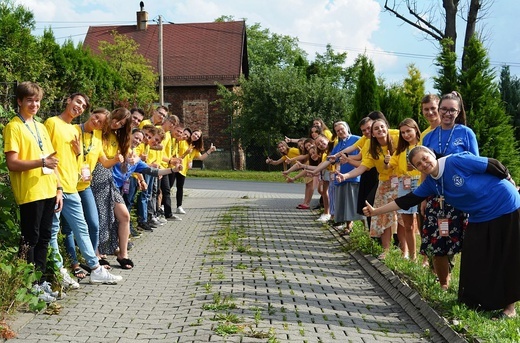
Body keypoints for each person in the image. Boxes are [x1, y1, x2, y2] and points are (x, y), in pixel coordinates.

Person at [363, 146, 520, 318]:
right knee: (474, 256)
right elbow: (407, 200)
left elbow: (492, 164)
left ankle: (509, 309)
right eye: (418, 164)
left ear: (432, 155)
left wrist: (509, 178)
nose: (424, 164)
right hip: (480, 214)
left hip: (504, 204)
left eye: (425, 158)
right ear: (416, 169)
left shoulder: (455, 161)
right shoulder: (431, 183)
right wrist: (376, 211)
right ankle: (477, 302)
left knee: (505, 255)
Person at [45, 93, 123, 285]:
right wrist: (56, 185)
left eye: (82, 105)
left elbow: (78, 160)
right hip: (56, 186)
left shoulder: (74, 131)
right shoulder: (51, 123)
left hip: (72, 186)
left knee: (83, 228)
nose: (79, 107)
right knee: (55, 230)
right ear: (68, 100)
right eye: (77, 102)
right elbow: (46, 155)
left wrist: (80, 154)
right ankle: (59, 270)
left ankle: (95, 268)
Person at [4, 82, 63, 302]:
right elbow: (12, 163)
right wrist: (40, 162)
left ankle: (39, 281)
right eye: (29, 100)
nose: (34, 104)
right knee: (31, 238)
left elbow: (52, 161)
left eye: (37, 100)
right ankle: (27, 283)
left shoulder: (41, 126)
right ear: (19, 101)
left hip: (48, 189)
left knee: (45, 237)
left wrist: (58, 187)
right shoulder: (14, 127)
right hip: (30, 191)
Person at [420, 91, 478, 289]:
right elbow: (423, 168)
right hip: (436, 197)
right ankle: (444, 284)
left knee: (466, 245)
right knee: (438, 245)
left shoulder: (466, 133)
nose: (447, 113)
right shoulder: (428, 137)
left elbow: (475, 165)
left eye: (452, 110)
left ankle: (469, 286)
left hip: (460, 198)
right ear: (439, 109)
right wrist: (423, 197)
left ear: (458, 111)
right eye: (443, 109)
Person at [61, 108, 121, 278]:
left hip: (85, 186)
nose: (96, 122)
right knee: (68, 228)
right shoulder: (73, 130)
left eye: (101, 122)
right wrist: (79, 153)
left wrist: (116, 159)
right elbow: (65, 157)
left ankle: (91, 259)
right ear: (91, 114)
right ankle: (74, 263)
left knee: (94, 224)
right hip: (70, 184)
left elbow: (104, 162)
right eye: (96, 117)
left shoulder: (96, 138)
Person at [336, 118, 398, 254]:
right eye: (376, 129)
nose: (380, 130)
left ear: (387, 128)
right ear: (373, 133)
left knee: (404, 218)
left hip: (400, 182)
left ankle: (404, 251)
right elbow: (363, 167)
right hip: (384, 184)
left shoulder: (397, 136)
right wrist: (345, 176)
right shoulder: (372, 149)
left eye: (382, 127)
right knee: (383, 215)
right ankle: (386, 250)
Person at [90, 107, 134, 270]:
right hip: (95, 176)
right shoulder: (98, 132)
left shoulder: (116, 138)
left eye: (121, 124)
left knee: (124, 215)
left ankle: (123, 254)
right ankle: (98, 253)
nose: (116, 124)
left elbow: (118, 158)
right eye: (116, 119)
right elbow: (101, 159)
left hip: (109, 179)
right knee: (100, 217)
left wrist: (127, 159)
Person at [389, 118, 421, 260]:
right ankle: (412, 257)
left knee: (422, 222)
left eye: (408, 131)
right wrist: (386, 161)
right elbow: (389, 165)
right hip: (404, 184)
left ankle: (425, 259)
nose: (406, 135)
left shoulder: (423, 144)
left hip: (420, 183)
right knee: (407, 224)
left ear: (415, 129)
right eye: (402, 132)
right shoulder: (401, 150)